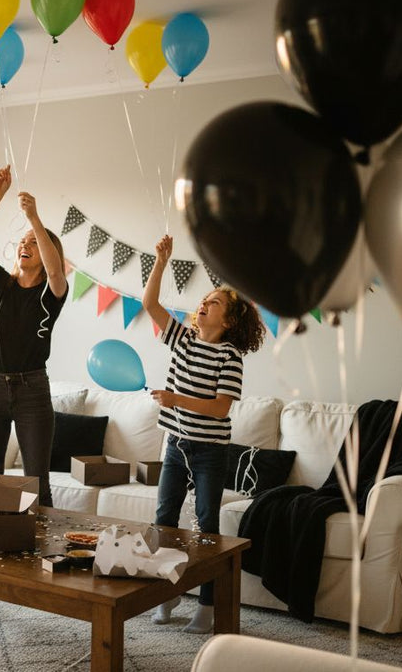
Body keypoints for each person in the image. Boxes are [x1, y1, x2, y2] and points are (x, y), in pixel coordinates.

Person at [141, 234, 265, 633]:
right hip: (176, 447)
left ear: (228, 320)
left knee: (208, 526)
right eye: (204, 299)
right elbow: (150, 305)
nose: (203, 303)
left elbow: (219, 407)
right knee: (165, 520)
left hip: (210, 452)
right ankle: (167, 591)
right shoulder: (182, 338)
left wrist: (175, 398)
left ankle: (208, 605)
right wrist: (161, 262)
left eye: (213, 302)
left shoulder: (230, 356)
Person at [0, 165, 68, 507]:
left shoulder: (52, 292)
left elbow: (55, 270)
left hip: (32, 392)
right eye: (22, 241)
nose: (25, 245)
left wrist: (35, 220)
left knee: (37, 482)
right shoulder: (0, 285)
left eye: (34, 244)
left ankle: (42, 554)